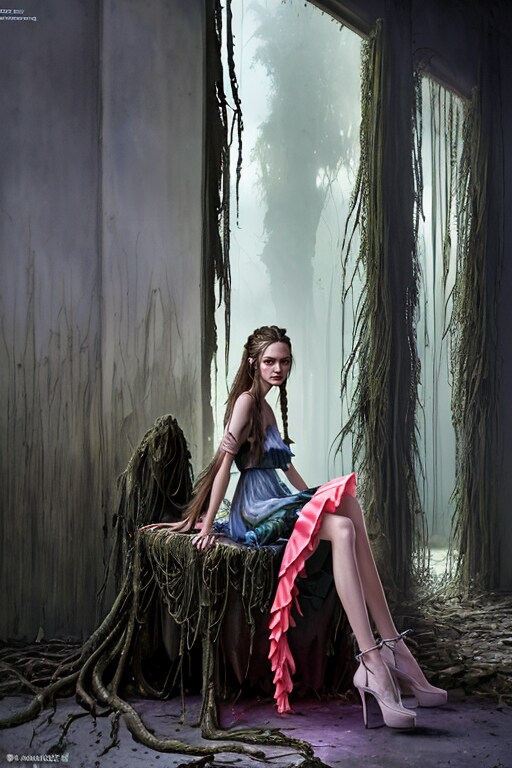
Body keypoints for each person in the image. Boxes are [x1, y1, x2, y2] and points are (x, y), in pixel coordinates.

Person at [148, 325, 446, 728]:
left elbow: (287, 470)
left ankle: (393, 648)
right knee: (342, 530)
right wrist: (204, 527)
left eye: (284, 362)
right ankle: (373, 660)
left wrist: (316, 500)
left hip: (276, 496)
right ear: (253, 363)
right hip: (255, 509)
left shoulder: (267, 409)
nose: (278, 369)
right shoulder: (246, 402)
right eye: (270, 361)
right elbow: (222, 466)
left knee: (347, 504)